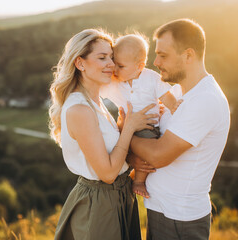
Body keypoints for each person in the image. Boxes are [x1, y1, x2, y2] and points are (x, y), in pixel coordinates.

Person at [49, 28, 157, 240]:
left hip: (120, 196)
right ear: (80, 64)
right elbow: (107, 174)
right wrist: (128, 129)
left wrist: (124, 133)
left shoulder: (96, 101)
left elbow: (109, 150)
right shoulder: (79, 109)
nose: (111, 64)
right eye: (102, 58)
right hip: (98, 203)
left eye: (112, 57)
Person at [128, 19, 230, 240]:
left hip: (181, 219)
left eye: (163, 55)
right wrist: (134, 154)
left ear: (188, 55)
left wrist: (125, 130)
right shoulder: (175, 93)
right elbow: (150, 141)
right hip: (161, 209)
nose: (155, 62)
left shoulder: (206, 99)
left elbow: (157, 155)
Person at [100, 33, 181, 198]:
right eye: (114, 64)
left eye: (121, 66)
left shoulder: (151, 78)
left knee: (147, 149)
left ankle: (138, 181)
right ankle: (123, 175)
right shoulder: (116, 82)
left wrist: (174, 106)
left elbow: (165, 96)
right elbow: (97, 89)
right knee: (114, 145)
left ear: (139, 66)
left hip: (146, 126)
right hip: (124, 129)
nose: (115, 69)